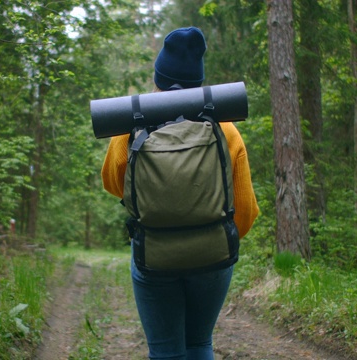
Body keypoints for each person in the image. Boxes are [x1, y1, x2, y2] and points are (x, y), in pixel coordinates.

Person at [100, 27, 259, 360]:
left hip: (153, 255)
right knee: (199, 343)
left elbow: (115, 185)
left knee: (165, 350)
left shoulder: (130, 127)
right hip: (213, 257)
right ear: (199, 83)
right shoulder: (225, 130)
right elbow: (244, 214)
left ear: (157, 76)